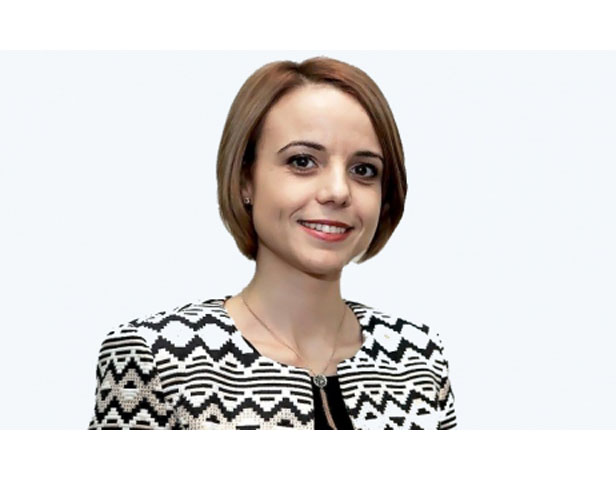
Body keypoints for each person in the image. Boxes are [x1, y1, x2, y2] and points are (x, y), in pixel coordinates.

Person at [88, 56, 457, 430]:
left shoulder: (418, 358)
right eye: (302, 161)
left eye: (363, 170)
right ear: (244, 180)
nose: (338, 191)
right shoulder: (157, 357)